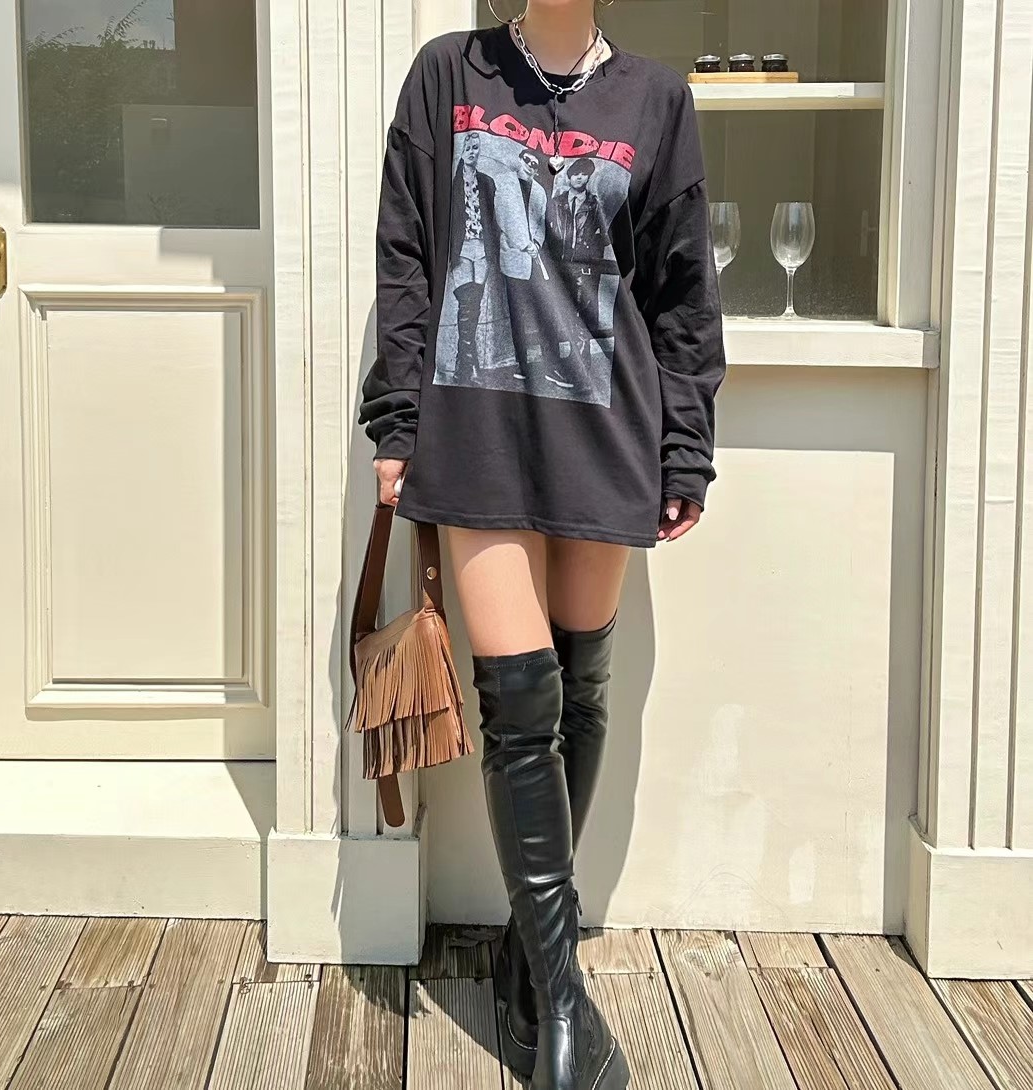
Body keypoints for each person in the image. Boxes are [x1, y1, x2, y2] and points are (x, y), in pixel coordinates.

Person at [357, 3, 726, 1088]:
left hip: (604, 428)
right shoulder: (449, 73)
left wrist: (685, 448)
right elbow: (405, 253)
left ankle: (531, 959)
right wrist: (396, 420)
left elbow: (680, 292)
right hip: (476, 426)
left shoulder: (655, 98)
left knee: (580, 687)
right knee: (519, 705)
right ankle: (563, 1005)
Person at [546, 155, 609, 391]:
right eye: (576, 174)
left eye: (584, 174)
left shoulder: (594, 204)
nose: (579, 178)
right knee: (559, 316)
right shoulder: (558, 202)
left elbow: (604, 237)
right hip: (560, 265)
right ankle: (562, 368)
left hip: (585, 267)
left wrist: (590, 256)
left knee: (582, 319)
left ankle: (582, 376)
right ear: (569, 176)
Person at [497, 148, 553, 384]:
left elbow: (540, 222)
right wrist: (524, 244)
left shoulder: (539, 191)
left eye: (535, 163)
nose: (531, 165)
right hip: (514, 257)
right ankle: (524, 366)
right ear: (520, 160)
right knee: (518, 315)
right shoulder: (505, 184)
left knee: (543, 311)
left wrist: (536, 243)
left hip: (535, 259)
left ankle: (547, 366)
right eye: (527, 160)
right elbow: (504, 218)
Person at [448, 130, 499, 385]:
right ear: (461, 150)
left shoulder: (487, 182)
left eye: (475, 147)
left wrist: (493, 252)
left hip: (482, 248)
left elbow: (492, 220)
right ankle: (468, 366)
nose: (471, 152)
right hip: (461, 248)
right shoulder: (451, 183)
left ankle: (465, 365)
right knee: (466, 306)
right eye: (467, 147)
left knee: (474, 308)